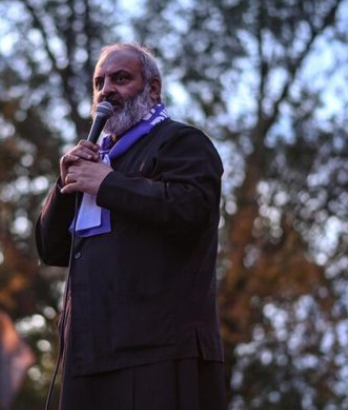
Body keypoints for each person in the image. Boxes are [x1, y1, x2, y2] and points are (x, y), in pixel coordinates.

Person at [35, 43, 226, 410]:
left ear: (152, 88)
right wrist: (63, 185)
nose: (106, 90)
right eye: (99, 83)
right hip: (89, 356)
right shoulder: (98, 159)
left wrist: (107, 184)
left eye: (121, 79)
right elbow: (51, 248)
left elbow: (192, 211)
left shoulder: (181, 142)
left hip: (158, 353)